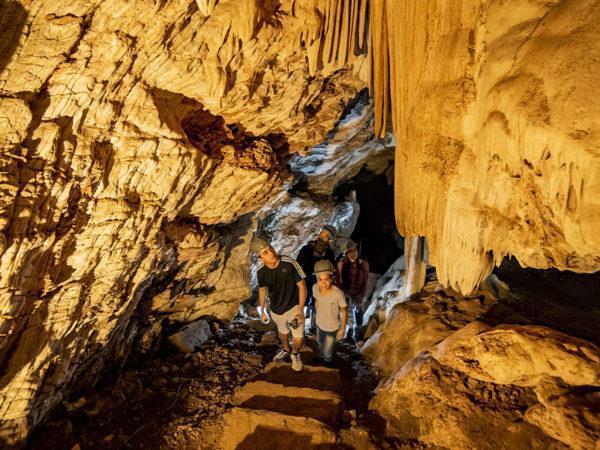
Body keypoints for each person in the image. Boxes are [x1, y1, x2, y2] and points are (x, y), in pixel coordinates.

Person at [251, 235, 307, 372]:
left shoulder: (289, 263)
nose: (271, 253)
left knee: (298, 336)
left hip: (293, 307)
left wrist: (300, 310)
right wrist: (263, 311)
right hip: (276, 309)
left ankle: (295, 354)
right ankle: (286, 349)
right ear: (260, 258)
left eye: (270, 248)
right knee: (283, 332)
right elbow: (263, 290)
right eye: (265, 252)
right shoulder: (261, 272)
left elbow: (302, 286)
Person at [296, 225, 336, 332]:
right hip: (306, 279)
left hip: (320, 282)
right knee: (302, 302)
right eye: (321, 234)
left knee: (317, 303)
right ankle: (299, 328)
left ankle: (313, 327)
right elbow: (297, 266)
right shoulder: (306, 249)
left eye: (326, 236)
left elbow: (331, 269)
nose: (322, 237)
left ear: (329, 241)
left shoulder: (330, 253)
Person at [312, 260, 347, 365]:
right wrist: (316, 316)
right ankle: (322, 357)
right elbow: (317, 301)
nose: (323, 283)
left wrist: (342, 328)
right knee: (320, 342)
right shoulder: (315, 288)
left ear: (332, 278)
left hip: (332, 327)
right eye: (320, 280)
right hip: (320, 324)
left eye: (326, 279)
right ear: (316, 279)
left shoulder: (338, 294)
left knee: (328, 348)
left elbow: (344, 311)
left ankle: (327, 364)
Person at [336, 240, 369, 342]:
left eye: (354, 249)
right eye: (350, 251)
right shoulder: (341, 264)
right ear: (345, 253)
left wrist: (361, 296)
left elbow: (365, 281)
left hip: (357, 292)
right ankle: (349, 333)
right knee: (346, 312)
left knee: (358, 311)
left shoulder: (363, 263)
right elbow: (338, 281)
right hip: (345, 291)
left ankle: (357, 333)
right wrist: (342, 295)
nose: (353, 253)